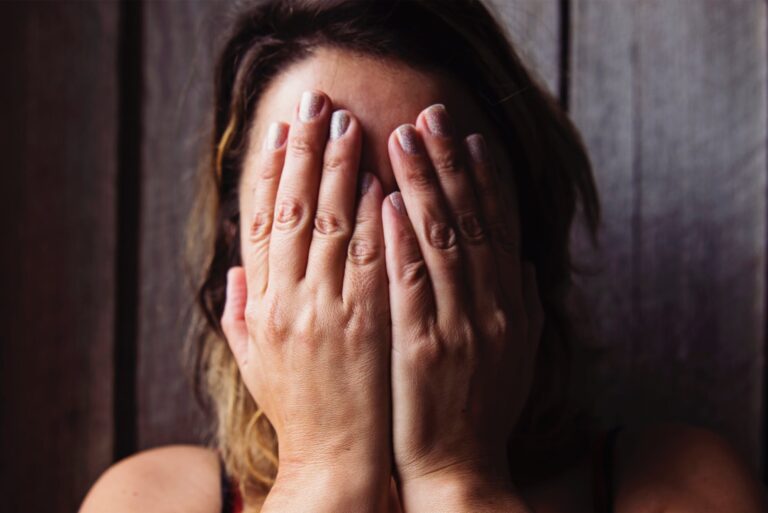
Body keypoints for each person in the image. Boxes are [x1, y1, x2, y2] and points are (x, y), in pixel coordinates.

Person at [79, 1, 767, 512]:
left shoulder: (677, 484)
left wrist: (459, 476)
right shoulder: (151, 499)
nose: (382, 255)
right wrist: (324, 470)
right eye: (323, 202)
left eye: (430, 200)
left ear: (519, 232)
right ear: (241, 251)